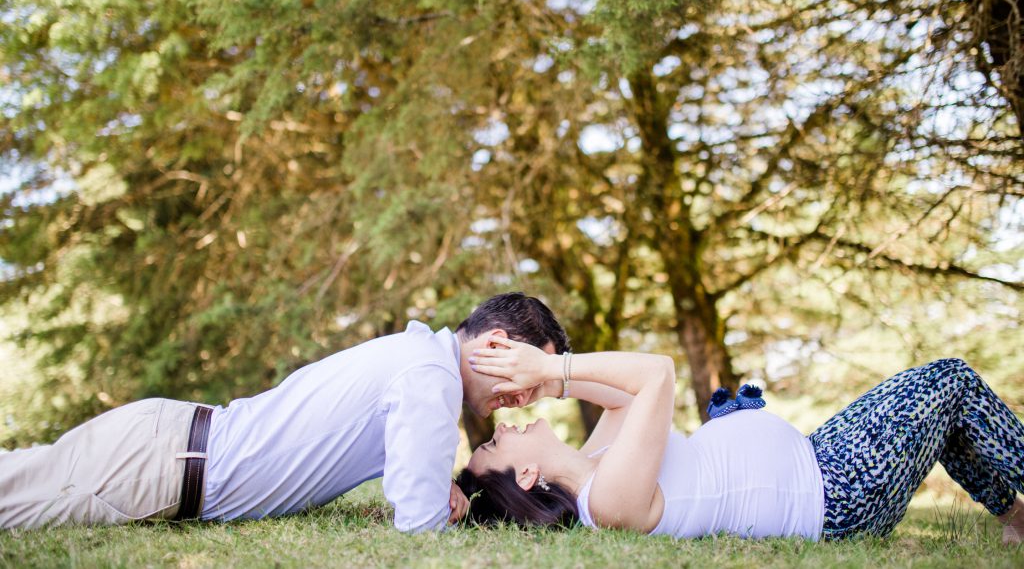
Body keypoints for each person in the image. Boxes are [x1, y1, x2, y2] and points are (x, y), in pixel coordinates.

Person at [0, 292, 570, 531]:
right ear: (494, 345)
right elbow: (418, 525)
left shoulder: (424, 360)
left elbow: (401, 470)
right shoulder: (430, 378)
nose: (523, 398)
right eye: (530, 377)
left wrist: (438, 484)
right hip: (164, 464)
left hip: (169, 444)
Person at [458, 342, 1024, 544]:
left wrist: (542, 379)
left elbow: (622, 400)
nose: (501, 428)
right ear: (525, 479)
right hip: (839, 492)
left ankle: (1014, 515)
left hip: (819, 455)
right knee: (947, 382)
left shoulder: (598, 463)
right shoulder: (606, 504)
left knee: (944, 412)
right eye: (493, 448)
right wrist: (550, 364)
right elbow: (656, 374)